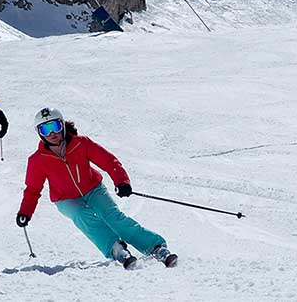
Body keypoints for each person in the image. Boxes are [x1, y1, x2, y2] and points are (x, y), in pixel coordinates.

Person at [15, 107, 177, 270]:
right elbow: (32, 190)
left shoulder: (81, 143)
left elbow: (108, 160)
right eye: (45, 129)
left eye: (55, 126)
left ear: (62, 125)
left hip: (93, 189)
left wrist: (121, 181)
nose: (52, 133)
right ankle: (116, 249)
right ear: (39, 133)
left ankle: (156, 248)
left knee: (113, 217)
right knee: (81, 215)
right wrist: (25, 212)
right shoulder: (37, 160)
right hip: (66, 199)